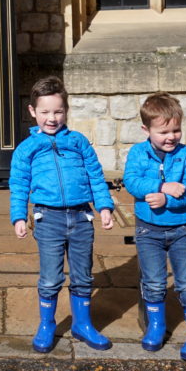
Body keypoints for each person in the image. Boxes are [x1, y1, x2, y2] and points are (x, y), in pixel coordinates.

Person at [9, 76, 115, 353]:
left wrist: (104, 206)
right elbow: (18, 185)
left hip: (81, 217)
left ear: (66, 111)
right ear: (33, 112)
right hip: (48, 219)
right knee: (50, 278)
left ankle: (82, 324)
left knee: (83, 275)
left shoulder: (78, 142)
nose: (52, 118)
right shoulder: (26, 149)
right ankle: (47, 324)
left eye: (58, 111)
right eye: (44, 112)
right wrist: (19, 216)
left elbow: (95, 175)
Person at [122, 92, 186, 361]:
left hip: (182, 230)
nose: (171, 137)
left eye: (176, 130)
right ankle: (156, 326)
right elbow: (131, 181)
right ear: (146, 130)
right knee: (154, 282)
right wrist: (160, 186)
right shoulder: (138, 152)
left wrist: (167, 199)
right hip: (149, 231)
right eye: (164, 131)